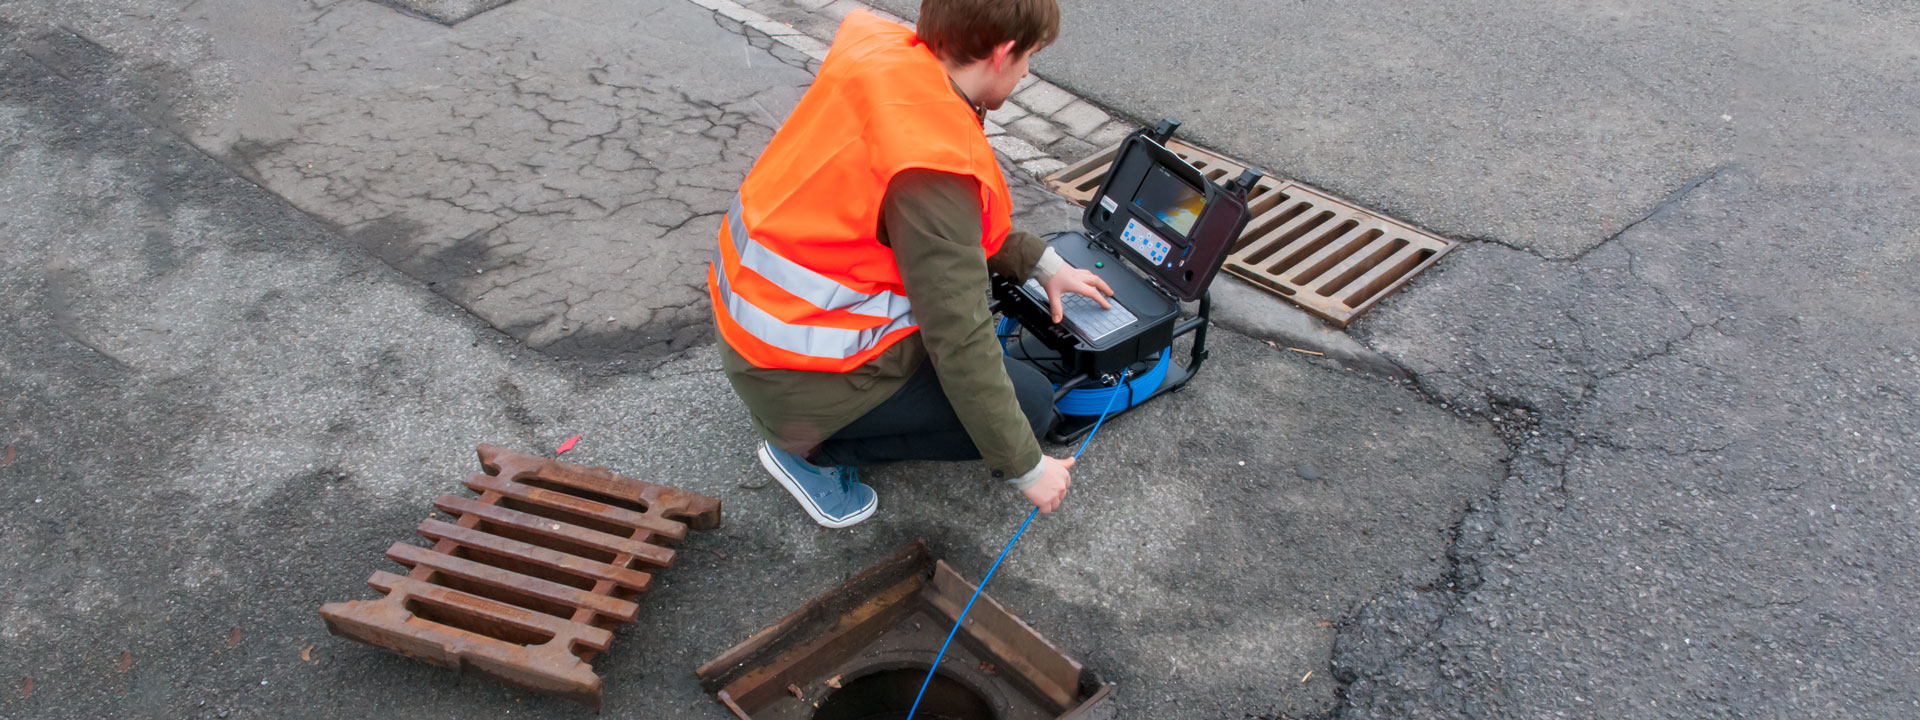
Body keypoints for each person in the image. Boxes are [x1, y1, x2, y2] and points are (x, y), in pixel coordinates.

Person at [708, 0, 1114, 528]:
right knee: (1033, 404)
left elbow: (949, 230)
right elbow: (960, 340)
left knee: (984, 357)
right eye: (1030, 57)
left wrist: (1041, 264)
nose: (1028, 72)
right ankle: (808, 454)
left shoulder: (889, 65)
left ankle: (809, 426)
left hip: (759, 333)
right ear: (1002, 52)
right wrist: (1027, 467)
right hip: (797, 380)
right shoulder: (930, 168)